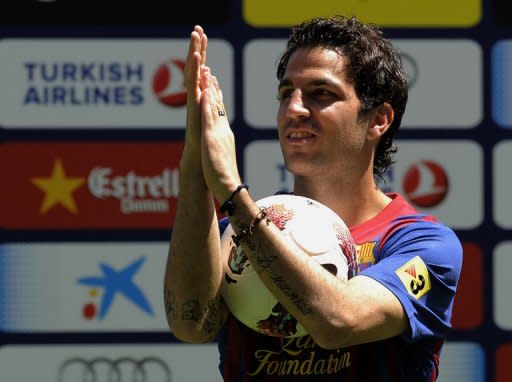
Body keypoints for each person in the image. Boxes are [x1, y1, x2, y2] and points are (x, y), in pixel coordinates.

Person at [164, 16, 463, 381]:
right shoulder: (235, 230)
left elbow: (338, 321)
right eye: (286, 93)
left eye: (321, 93)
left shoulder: (424, 247)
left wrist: (230, 188)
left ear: (378, 120)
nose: (294, 109)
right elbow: (191, 323)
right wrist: (197, 167)